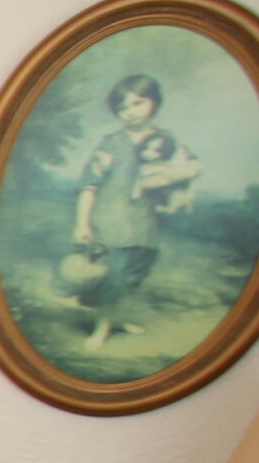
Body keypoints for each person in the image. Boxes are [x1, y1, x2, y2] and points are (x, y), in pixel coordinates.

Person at [66, 73, 201, 350]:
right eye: (123, 108)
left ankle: (116, 318)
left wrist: (175, 185)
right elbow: (89, 185)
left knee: (132, 275)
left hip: (145, 222)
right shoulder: (111, 144)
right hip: (111, 222)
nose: (130, 112)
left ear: (154, 103)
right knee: (111, 277)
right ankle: (102, 327)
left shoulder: (165, 141)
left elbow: (186, 168)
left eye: (138, 103)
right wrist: (82, 223)